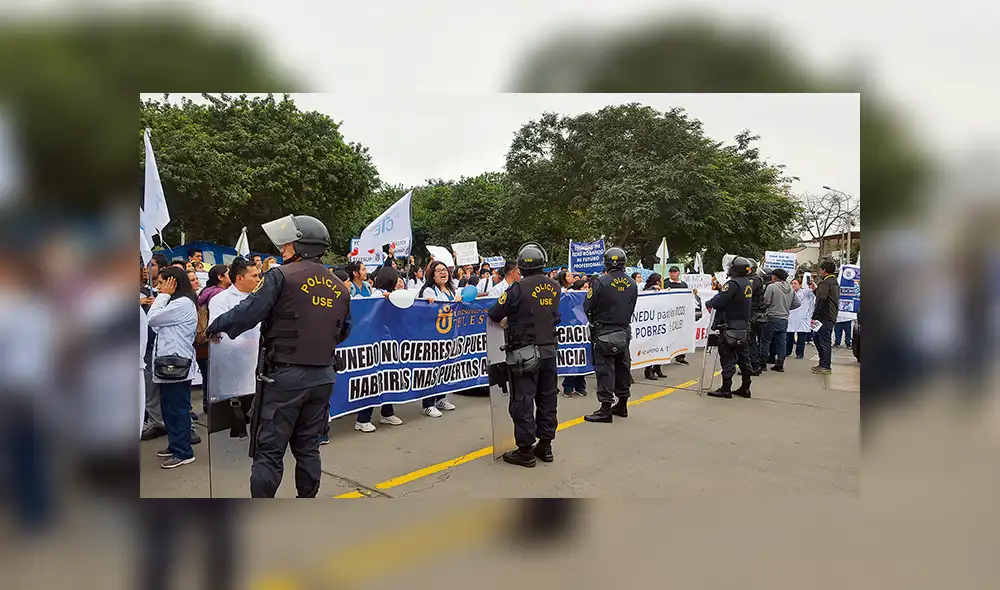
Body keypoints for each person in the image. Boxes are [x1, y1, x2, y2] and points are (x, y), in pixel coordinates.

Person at [206, 214, 351, 498]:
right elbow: (343, 332)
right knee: (308, 448)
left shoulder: (280, 276)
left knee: (269, 451)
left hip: (285, 379)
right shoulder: (339, 286)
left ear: (303, 246)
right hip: (323, 377)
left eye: (287, 244)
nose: (282, 249)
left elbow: (248, 312)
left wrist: (216, 325)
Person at [488, 243, 561, 467]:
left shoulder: (517, 289)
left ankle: (525, 451)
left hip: (524, 354)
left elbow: (494, 313)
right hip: (549, 351)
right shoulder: (555, 286)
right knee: (548, 399)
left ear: (520, 267)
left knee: (522, 401)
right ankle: (545, 447)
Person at [147, 267, 200, 469]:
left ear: (172, 284)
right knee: (170, 409)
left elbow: (151, 319)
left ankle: (184, 452)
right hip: (168, 364)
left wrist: (162, 296)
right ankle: (176, 445)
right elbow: (155, 325)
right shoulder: (175, 303)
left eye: (162, 282)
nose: (159, 287)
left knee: (177, 410)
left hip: (175, 365)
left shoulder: (182, 303)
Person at [583, 247, 638, 423]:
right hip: (623, 330)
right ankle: (622, 404)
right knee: (623, 368)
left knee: (605, 369)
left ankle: (605, 408)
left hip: (604, 330)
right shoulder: (632, 283)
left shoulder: (600, 282)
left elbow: (588, 306)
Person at [354, 267, 405, 432]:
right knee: (374, 379)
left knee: (389, 378)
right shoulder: (377, 295)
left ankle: (387, 413)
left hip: (389, 342)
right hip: (376, 343)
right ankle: (363, 419)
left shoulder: (393, 295)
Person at [704, 257, 754, 399]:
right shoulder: (747, 283)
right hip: (743, 327)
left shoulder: (732, 284)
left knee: (728, 359)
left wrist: (709, 302)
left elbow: (720, 300)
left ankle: (726, 388)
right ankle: (746, 387)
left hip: (730, 327)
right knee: (744, 359)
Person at [416, 261, 459, 416]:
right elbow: (426, 312)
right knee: (433, 369)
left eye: (445, 270)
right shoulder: (429, 291)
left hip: (449, 336)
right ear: (432, 275)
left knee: (446, 367)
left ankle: (441, 397)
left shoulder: (451, 290)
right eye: (439, 270)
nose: (443, 273)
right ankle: (428, 403)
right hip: (433, 337)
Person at [759, 268, 800, 372]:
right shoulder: (790, 288)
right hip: (784, 319)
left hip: (772, 317)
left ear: (775, 277)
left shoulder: (771, 287)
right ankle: (780, 364)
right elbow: (797, 303)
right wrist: (786, 307)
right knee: (781, 342)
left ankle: (762, 363)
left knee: (765, 341)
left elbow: (766, 301)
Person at [811, 260, 840, 375]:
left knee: (823, 341)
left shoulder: (825, 283)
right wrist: (815, 290)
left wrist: (815, 316)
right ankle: (822, 363)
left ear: (824, 270)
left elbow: (821, 301)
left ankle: (825, 366)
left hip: (824, 316)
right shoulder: (834, 282)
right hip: (830, 315)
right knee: (818, 339)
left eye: (820, 269)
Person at [640, 273, 668, 381]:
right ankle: (648, 370)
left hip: (660, 322)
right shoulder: (648, 290)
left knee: (660, 346)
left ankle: (657, 368)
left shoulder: (660, 290)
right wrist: (652, 289)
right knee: (651, 348)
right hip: (650, 324)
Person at [663, 265, 692, 366]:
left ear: (679, 273)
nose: (673, 273)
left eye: (675, 272)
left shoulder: (683, 285)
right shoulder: (665, 284)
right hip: (668, 314)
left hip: (679, 314)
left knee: (680, 335)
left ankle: (680, 356)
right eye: (671, 272)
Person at [786, 278, 815, 360]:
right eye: (792, 283)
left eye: (795, 283)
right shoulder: (789, 293)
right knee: (789, 336)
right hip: (791, 317)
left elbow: (813, 291)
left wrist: (811, 282)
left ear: (800, 285)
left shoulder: (806, 292)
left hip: (802, 317)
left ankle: (800, 353)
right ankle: (787, 351)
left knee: (801, 337)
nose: (793, 285)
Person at [747, 259, 766, 374]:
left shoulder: (753, 280)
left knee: (750, 340)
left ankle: (755, 365)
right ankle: (755, 364)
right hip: (753, 313)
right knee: (751, 340)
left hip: (753, 314)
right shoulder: (754, 279)